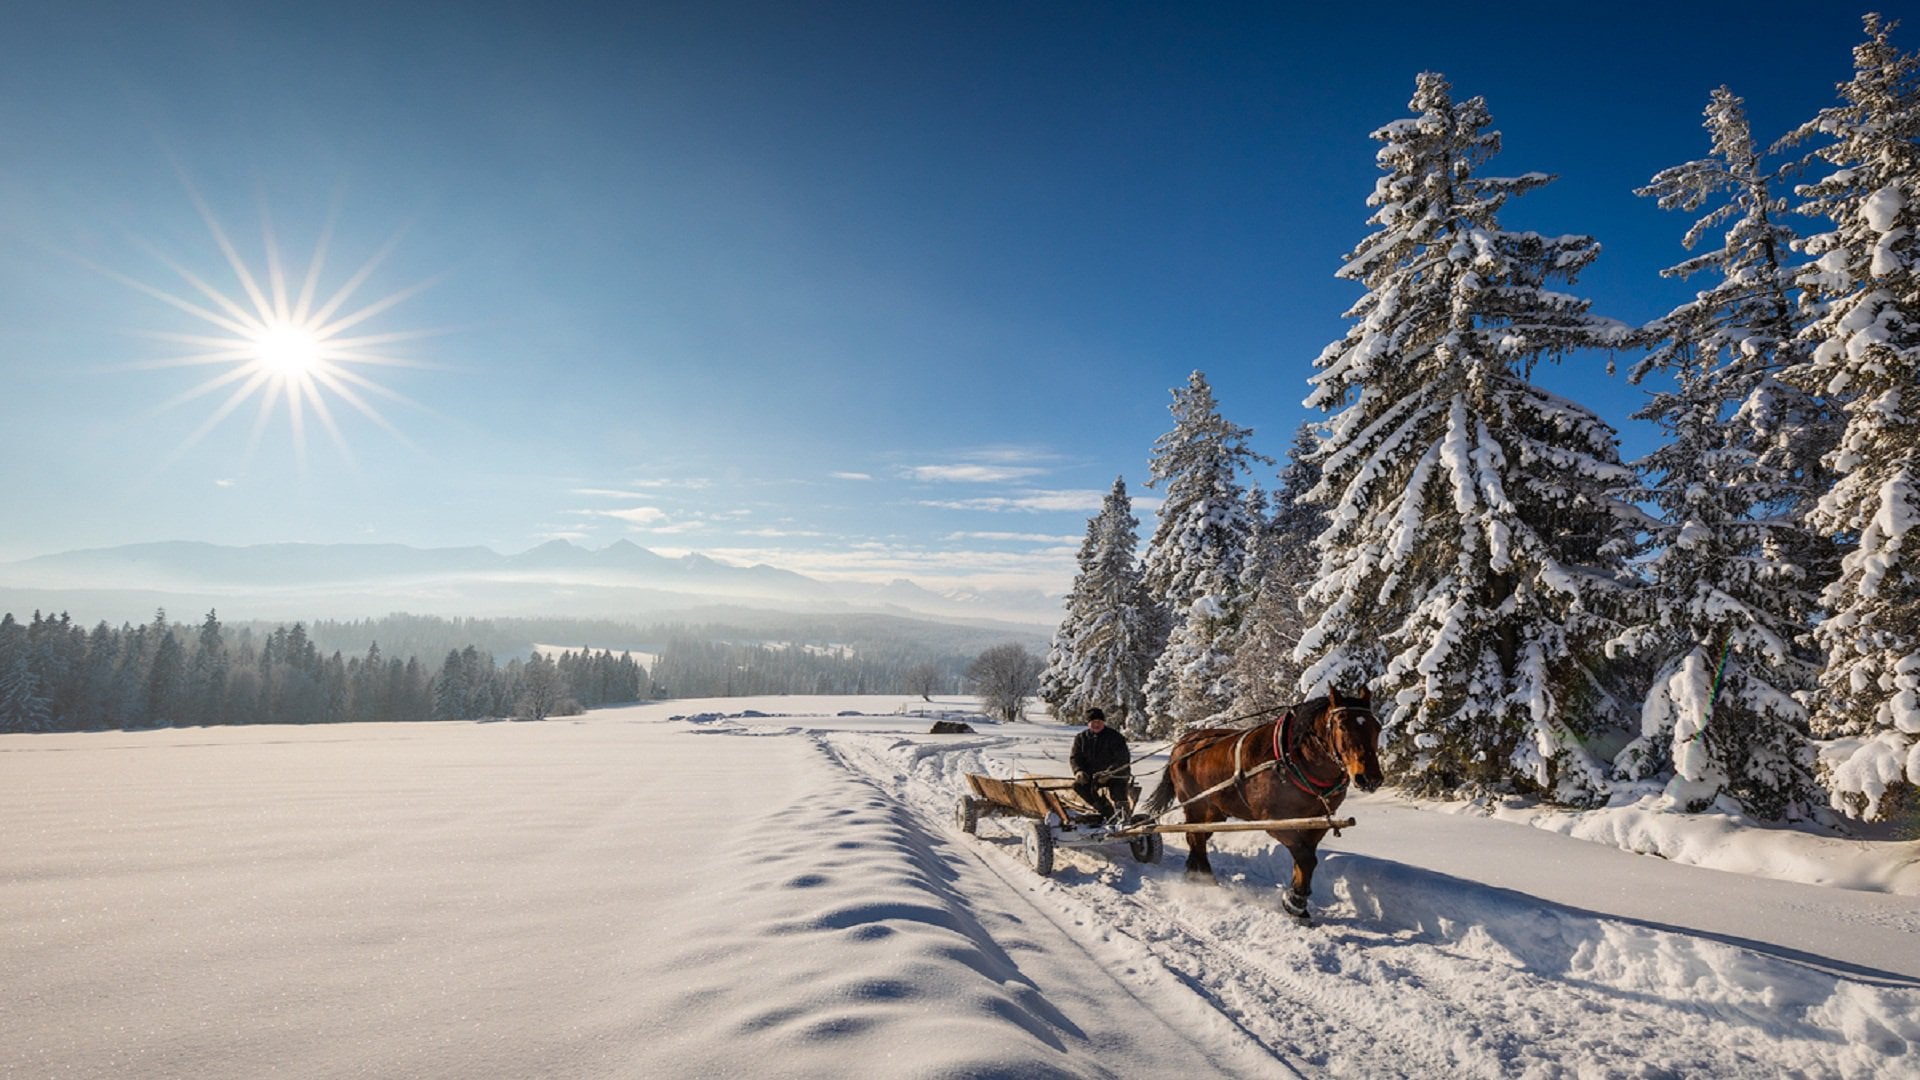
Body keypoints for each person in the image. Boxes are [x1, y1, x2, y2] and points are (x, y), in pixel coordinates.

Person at [1070, 707, 1131, 824]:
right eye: (1093, 722)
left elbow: (1122, 759)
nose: (1096, 724)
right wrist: (1078, 771)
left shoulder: (1115, 737)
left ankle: (1125, 818)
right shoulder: (1081, 738)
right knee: (1078, 786)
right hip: (1092, 776)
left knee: (1118, 791)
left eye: (1099, 722)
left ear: (1103, 722)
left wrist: (1109, 773)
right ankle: (1107, 812)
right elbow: (1075, 758)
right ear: (1088, 723)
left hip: (1115, 775)